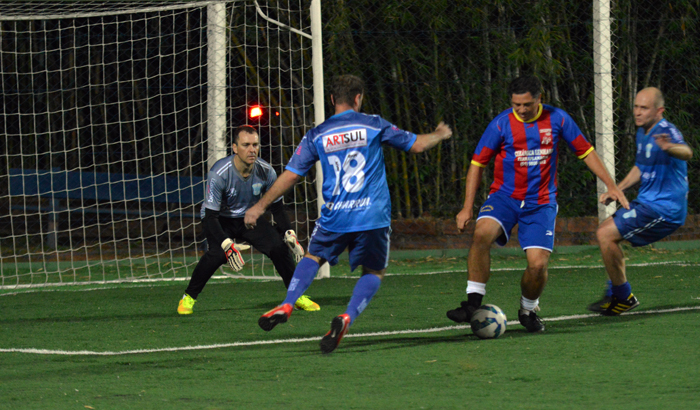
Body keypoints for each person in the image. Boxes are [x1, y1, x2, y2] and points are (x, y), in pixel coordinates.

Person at [244, 74, 452, 353]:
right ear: (358, 98)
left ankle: (288, 302)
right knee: (374, 271)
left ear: (332, 100)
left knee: (313, 257)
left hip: (335, 215)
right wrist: (439, 134)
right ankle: (347, 317)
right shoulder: (373, 124)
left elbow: (291, 176)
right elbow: (416, 145)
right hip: (372, 214)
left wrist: (259, 206)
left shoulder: (317, 134)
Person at [446, 75, 629, 332]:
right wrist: (466, 207)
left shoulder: (558, 119)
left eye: (526, 104)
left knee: (538, 264)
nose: (520, 110)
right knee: (482, 234)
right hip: (504, 197)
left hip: (541, 203)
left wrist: (611, 185)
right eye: (515, 104)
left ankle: (528, 309)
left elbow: (586, 152)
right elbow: (477, 164)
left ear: (539, 99)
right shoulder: (500, 124)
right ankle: (472, 304)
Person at [177, 125, 319, 315]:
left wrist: (288, 233)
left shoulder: (266, 171)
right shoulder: (219, 173)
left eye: (255, 145)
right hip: (220, 219)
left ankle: (296, 296)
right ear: (235, 148)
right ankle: (189, 297)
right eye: (246, 145)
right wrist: (226, 243)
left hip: (248, 218)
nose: (252, 150)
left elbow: (277, 207)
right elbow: (210, 216)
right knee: (217, 254)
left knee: (279, 247)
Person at [588, 87, 692, 315]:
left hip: (665, 209)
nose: (638, 112)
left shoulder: (666, 131)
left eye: (644, 108)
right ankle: (616, 292)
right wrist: (616, 189)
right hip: (647, 204)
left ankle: (622, 296)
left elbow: (686, 152)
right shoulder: (642, 132)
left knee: (606, 234)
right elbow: (640, 168)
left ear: (659, 111)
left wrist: (669, 147)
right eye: (636, 106)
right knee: (607, 236)